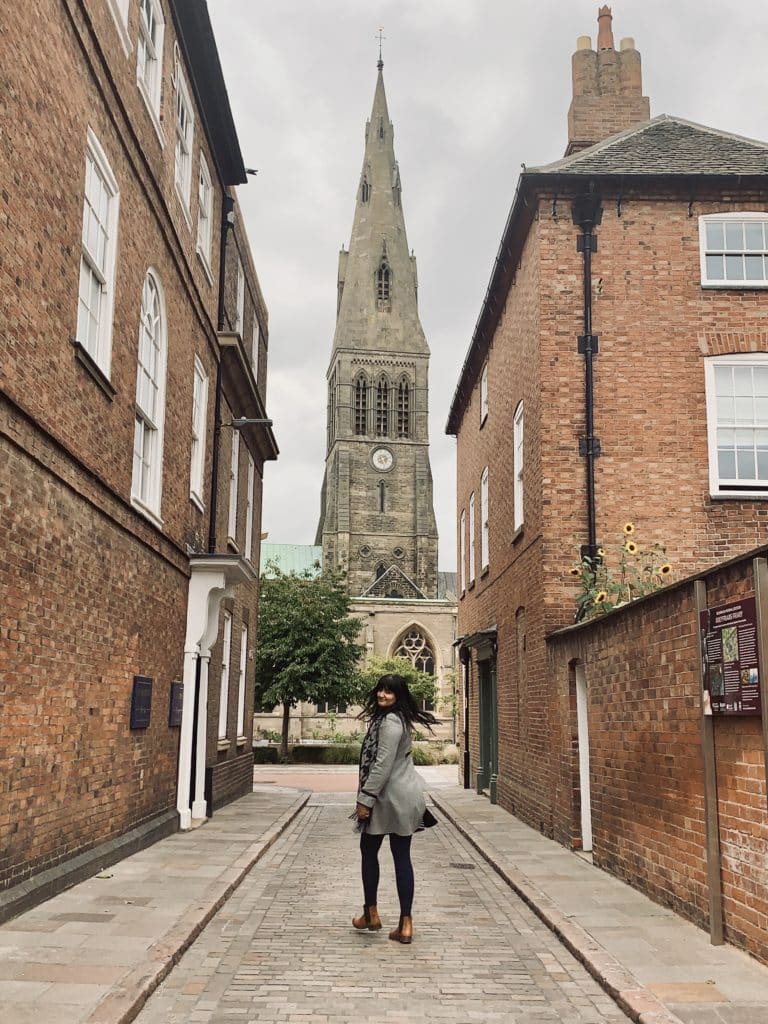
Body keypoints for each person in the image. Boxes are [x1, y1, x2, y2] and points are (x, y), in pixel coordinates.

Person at [351, 673, 438, 944]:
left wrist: (365, 799)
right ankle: (405, 923)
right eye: (380, 690)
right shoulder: (399, 719)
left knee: (369, 851)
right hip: (404, 796)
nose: (382, 695)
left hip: (388, 798)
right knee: (401, 857)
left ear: (398, 695)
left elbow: (382, 764)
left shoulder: (389, 722)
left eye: (389, 692)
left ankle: (371, 914)